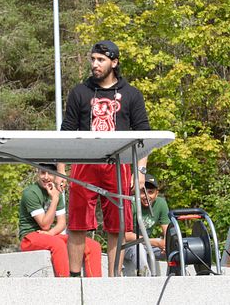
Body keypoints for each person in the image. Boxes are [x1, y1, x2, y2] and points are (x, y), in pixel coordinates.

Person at [58, 40, 150, 277]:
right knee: (77, 223)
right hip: (84, 163)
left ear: (114, 62)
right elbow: (66, 132)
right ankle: (74, 278)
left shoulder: (132, 94)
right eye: (93, 59)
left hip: (118, 164)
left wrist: (140, 173)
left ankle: (113, 280)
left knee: (118, 225)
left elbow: (144, 137)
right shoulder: (80, 92)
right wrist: (61, 168)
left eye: (100, 60)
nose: (95, 64)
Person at [18, 164, 102, 277]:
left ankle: (94, 287)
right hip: (30, 237)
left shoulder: (56, 190)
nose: (46, 177)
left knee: (93, 246)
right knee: (58, 244)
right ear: (38, 173)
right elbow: (44, 224)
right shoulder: (31, 193)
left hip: (49, 235)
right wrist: (55, 199)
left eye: (50, 173)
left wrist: (50, 234)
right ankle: (65, 283)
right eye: (42, 173)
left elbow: (61, 223)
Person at [123, 173, 169, 276]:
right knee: (139, 248)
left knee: (175, 247)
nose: (147, 196)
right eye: (143, 192)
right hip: (127, 245)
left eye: (150, 192)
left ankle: (177, 277)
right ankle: (146, 279)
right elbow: (125, 235)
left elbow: (168, 231)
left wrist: (166, 244)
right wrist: (155, 242)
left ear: (156, 193)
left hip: (147, 244)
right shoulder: (131, 203)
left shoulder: (161, 204)